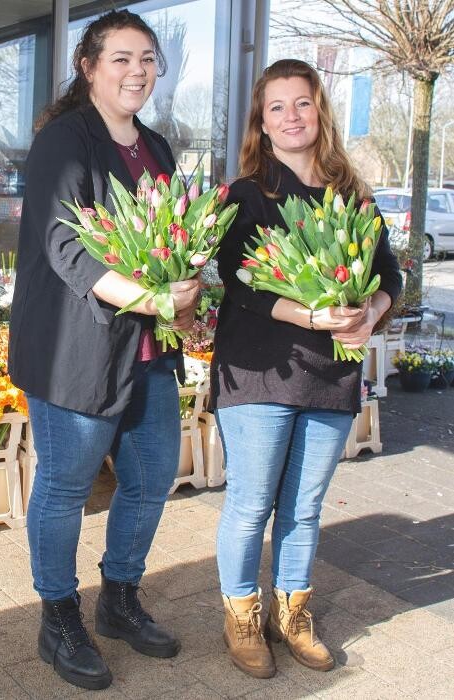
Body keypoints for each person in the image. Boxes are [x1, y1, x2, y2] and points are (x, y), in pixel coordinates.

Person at [8, 10, 200, 691]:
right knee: (63, 487)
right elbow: (66, 249)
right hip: (76, 352)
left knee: (149, 480)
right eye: (120, 58)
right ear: (88, 67)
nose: (136, 71)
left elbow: (174, 239)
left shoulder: (156, 146)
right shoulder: (65, 140)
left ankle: (118, 600)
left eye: (146, 58)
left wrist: (189, 278)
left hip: (147, 355)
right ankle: (56, 617)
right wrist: (152, 299)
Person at [210, 59, 402, 679]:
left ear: (319, 111)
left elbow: (389, 275)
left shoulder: (352, 196)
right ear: (260, 124)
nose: (291, 117)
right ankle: (242, 614)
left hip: (330, 375)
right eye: (276, 108)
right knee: (251, 503)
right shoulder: (245, 194)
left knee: (304, 506)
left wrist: (371, 312)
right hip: (261, 370)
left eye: (302, 104)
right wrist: (314, 318)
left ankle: (293, 612)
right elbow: (237, 283)